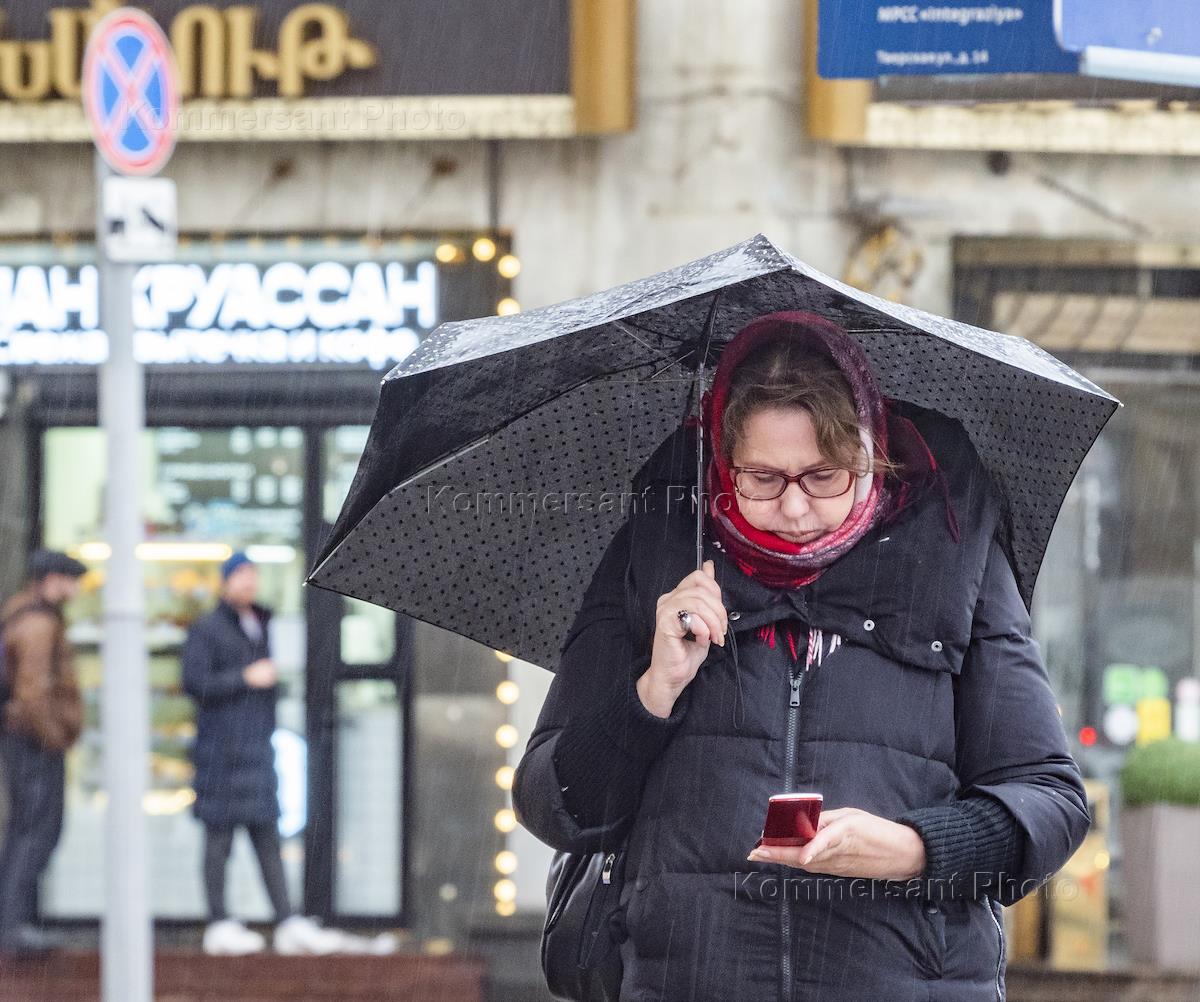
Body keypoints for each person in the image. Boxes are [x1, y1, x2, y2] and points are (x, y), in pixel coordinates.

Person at [512, 311, 1091, 1002]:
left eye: (824, 476)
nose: (793, 508)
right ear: (723, 466)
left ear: (870, 458)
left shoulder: (953, 563)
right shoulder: (657, 558)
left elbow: (1050, 804)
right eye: (762, 478)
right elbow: (552, 804)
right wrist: (655, 689)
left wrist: (912, 849)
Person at [183, 551, 340, 956]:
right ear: (224, 582)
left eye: (252, 575)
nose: (248, 583)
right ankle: (218, 922)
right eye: (240, 576)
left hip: (255, 751)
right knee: (218, 841)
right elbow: (195, 682)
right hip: (220, 754)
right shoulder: (207, 629)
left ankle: (286, 919)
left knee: (267, 839)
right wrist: (244, 678)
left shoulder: (260, 623)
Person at [0, 550, 87, 956]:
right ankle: (13, 927)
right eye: (69, 580)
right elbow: (33, 692)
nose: (73, 588)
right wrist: (55, 736)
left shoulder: (26, 615)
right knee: (36, 832)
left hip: (27, 742)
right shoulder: (37, 622)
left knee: (28, 831)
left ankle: (16, 924)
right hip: (33, 745)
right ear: (52, 579)